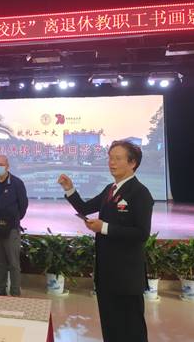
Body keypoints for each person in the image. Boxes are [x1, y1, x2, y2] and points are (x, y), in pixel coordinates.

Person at [58, 140, 154, 342]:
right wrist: (70, 189)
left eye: (118, 158)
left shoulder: (140, 193)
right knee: (111, 326)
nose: (112, 163)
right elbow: (85, 208)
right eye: (110, 158)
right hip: (107, 273)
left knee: (131, 329)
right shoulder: (110, 189)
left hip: (127, 277)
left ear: (133, 163)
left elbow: (141, 233)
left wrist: (104, 227)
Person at [0, 155, 28, 297]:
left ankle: (15, 292)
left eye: (1, 164)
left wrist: (14, 220)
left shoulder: (17, 183)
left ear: (7, 166)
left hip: (11, 229)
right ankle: (0, 289)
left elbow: (23, 206)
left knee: (13, 263)